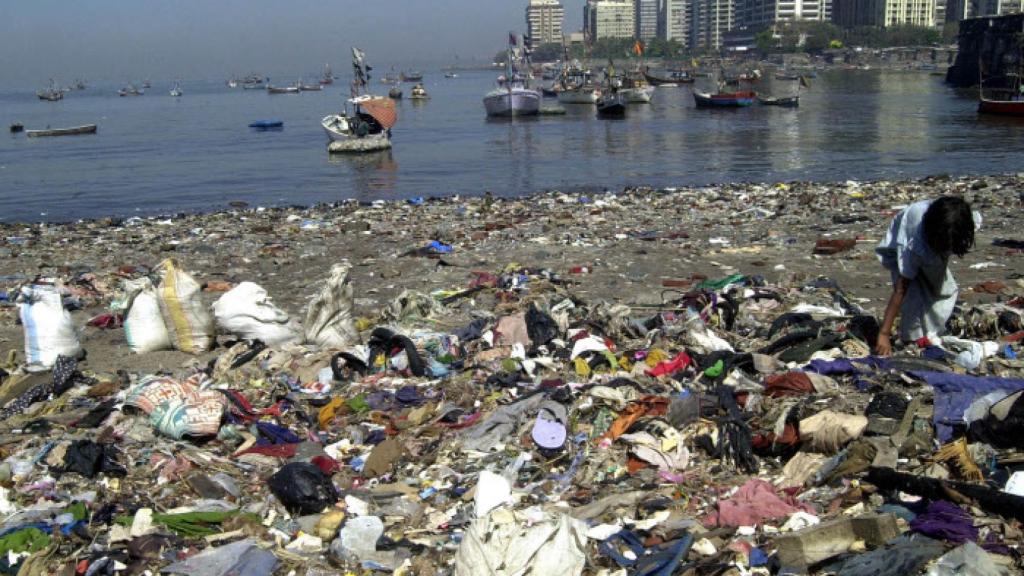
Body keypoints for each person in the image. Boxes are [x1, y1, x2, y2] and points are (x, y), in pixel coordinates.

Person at [875, 196, 977, 356]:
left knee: (940, 292)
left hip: (934, 247)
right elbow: (901, 288)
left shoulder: (957, 222)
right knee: (912, 297)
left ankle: (931, 332)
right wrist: (884, 334)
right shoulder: (914, 244)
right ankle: (912, 338)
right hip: (900, 249)